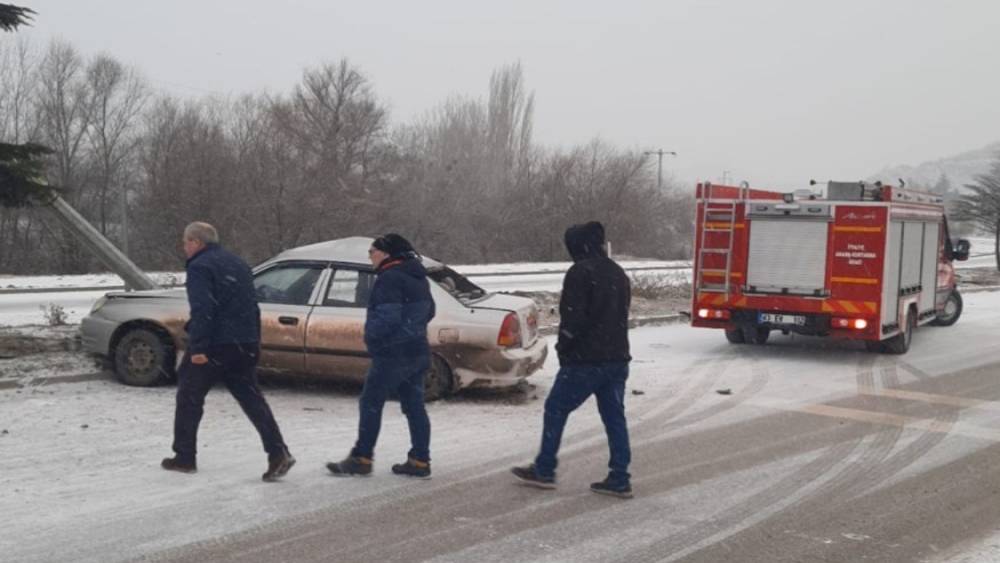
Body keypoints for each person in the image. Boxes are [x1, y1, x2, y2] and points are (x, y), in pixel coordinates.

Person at [161, 222, 295, 482]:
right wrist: (253, 341)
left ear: (196, 242)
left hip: (215, 344)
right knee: (252, 398)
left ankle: (184, 456)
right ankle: (278, 452)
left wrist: (198, 346)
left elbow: (204, 308)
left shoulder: (200, 266)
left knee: (189, 396)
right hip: (243, 342)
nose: (184, 247)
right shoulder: (238, 263)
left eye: (186, 242)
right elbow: (249, 305)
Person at [511, 221, 634, 498]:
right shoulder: (617, 271)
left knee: (556, 408)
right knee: (614, 417)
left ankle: (544, 468)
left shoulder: (580, 272)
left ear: (578, 246)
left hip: (585, 359)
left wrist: (564, 348)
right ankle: (620, 476)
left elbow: (573, 319)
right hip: (617, 357)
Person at [327, 234, 436, 479]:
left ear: (386, 254)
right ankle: (420, 460)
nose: (370, 257)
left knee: (370, 403)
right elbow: (430, 311)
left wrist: (373, 339)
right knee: (414, 406)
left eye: (372, 251)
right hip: (417, 350)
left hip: (392, 354)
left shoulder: (389, 278)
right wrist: (412, 330)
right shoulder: (418, 277)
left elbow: (388, 318)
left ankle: (361, 458)